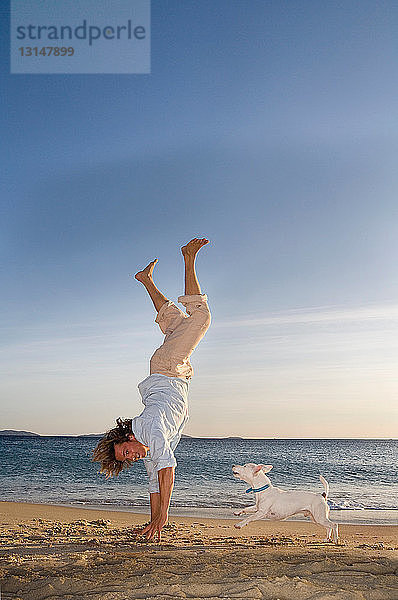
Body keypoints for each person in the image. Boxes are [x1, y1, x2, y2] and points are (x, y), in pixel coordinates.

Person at [92, 238, 211, 540]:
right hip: (171, 371)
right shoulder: (147, 450)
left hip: (169, 367)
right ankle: (145, 279)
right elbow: (155, 487)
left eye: (126, 451)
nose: (131, 456)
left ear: (128, 437)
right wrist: (153, 521)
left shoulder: (149, 429)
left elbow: (168, 473)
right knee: (174, 322)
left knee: (201, 317)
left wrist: (164, 518)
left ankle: (188, 257)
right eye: (127, 459)